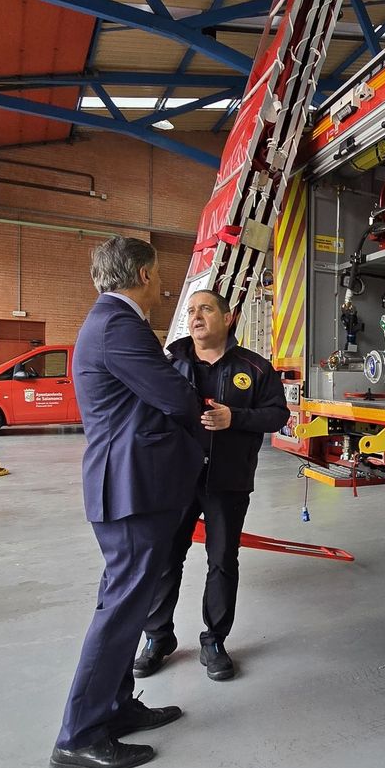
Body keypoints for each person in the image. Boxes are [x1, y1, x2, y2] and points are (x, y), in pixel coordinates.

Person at [50, 237, 212, 768]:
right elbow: (174, 396)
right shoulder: (119, 326)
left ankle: (115, 706)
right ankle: (79, 735)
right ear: (142, 273)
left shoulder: (106, 323)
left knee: (124, 602)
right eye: (157, 274)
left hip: (131, 485)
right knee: (120, 609)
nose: (162, 284)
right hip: (131, 487)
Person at [133, 288, 290, 681]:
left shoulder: (255, 369)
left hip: (228, 480)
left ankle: (214, 640)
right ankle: (158, 637)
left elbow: (277, 415)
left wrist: (233, 418)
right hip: (176, 481)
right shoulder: (168, 364)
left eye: (205, 308)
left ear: (228, 316)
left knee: (222, 561)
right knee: (166, 558)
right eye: (191, 310)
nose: (196, 316)